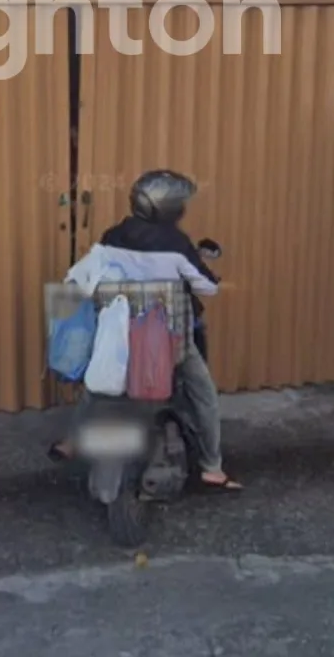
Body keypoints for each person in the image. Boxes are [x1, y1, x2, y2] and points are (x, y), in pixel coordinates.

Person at [50, 169, 241, 491]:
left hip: (118, 333)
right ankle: (212, 467)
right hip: (166, 337)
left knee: (98, 384)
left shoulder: (112, 236)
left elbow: (83, 275)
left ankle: (70, 442)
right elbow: (206, 287)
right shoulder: (176, 244)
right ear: (170, 208)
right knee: (205, 395)